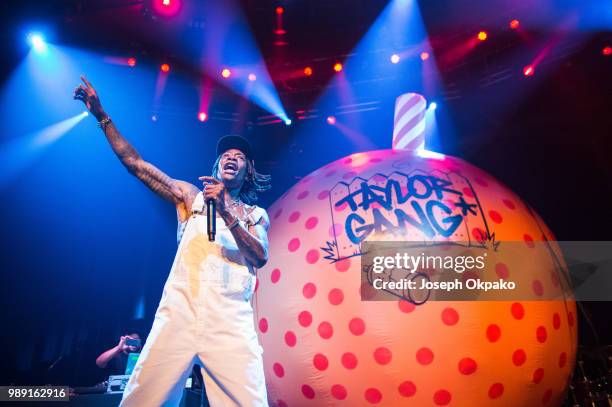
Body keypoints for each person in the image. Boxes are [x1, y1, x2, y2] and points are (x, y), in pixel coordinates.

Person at [73, 76, 271, 407]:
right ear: (217, 163)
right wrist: (102, 117)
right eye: (225, 154)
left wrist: (226, 212)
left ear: (248, 170)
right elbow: (136, 165)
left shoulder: (254, 214)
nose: (230, 157)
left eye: (239, 155)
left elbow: (261, 254)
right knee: (141, 400)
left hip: (230, 324)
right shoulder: (189, 196)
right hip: (178, 314)